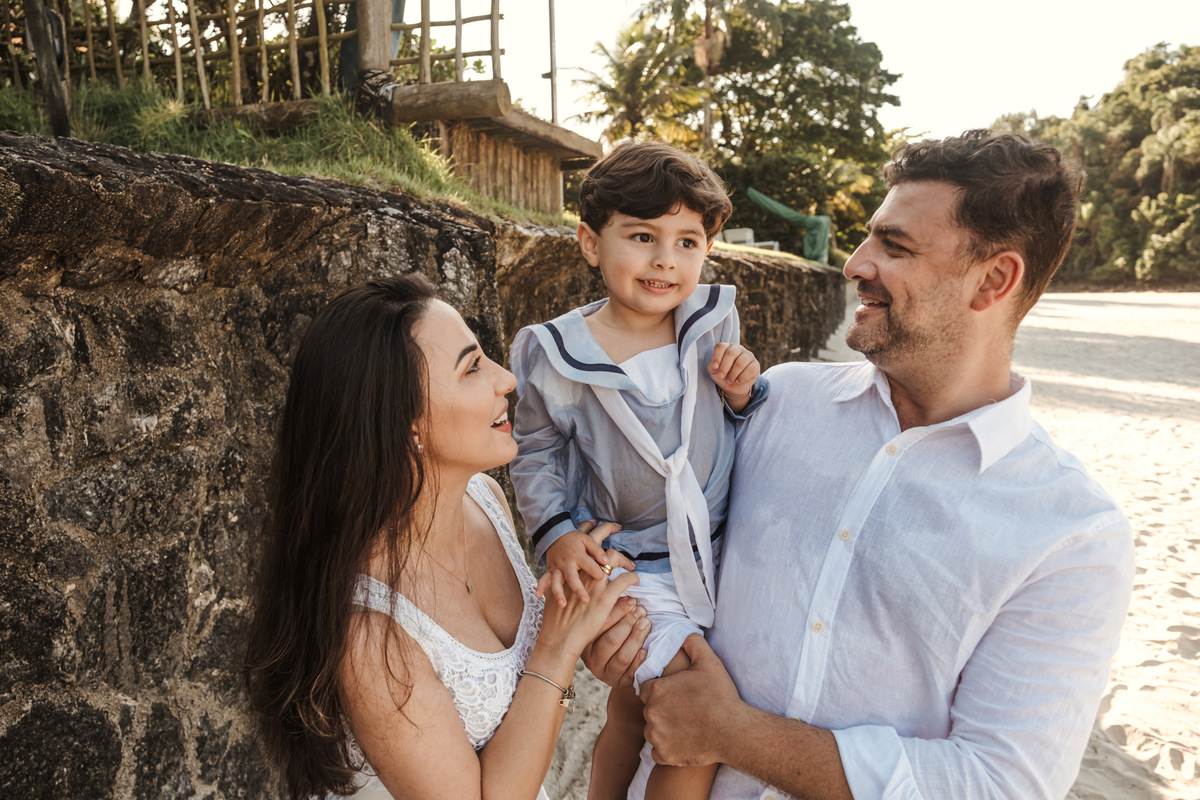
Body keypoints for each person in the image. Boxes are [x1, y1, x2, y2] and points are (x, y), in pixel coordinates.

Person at [587, 130, 1135, 800]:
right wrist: (615, 615)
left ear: (994, 280)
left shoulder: (1073, 534)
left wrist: (734, 734)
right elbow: (661, 544)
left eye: (894, 246)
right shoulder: (773, 401)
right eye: (869, 236)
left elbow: (997, 783)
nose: (854, 263)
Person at [242, 274, 644, 800]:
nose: (506, 379)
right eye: (472, 366)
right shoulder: (367, 634)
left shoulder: (486, 500)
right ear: (406, 424)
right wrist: (560, 646)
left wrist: (587, 609)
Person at [508, 141, 764, 800]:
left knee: (630, 708)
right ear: (591, 243)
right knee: (691, 704)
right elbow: (534, 452)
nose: (664, 260)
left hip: (711, 555)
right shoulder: (556, 351)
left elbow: (732, 430)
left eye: (687, 241)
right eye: (643, 236)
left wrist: (740, 394)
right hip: (628, 561)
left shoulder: (712, 322)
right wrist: (557, 535)